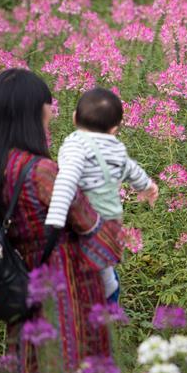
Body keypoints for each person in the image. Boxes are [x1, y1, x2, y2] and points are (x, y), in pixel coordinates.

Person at [0, 69, 123, 373]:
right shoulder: (40, 170)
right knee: (72, 358)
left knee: (33, 364)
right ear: (32, 110)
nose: (52, 111)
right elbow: (86, 221)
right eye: (48, 103)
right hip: (62, 277)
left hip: (22, 277)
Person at [45, 87, 159, 302]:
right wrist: (147, 186)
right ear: (114, 129)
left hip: (84, 221)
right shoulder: (116, 148)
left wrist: (54, 220)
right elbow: (131, 169)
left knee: (72, 259)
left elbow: (66, 181)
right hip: (111, 223)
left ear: (74, 118)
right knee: (101, 263)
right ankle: (108, 291)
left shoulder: (75, 145)